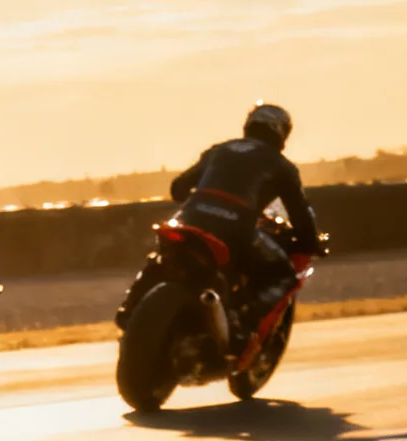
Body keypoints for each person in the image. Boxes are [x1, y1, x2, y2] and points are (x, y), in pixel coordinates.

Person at [125, 103, 322, 329]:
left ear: (249, 125)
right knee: (283, 276)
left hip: (189, 219)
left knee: (162, 256)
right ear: (282, 132)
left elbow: (178, 188)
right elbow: (300, 214)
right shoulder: (282, 166)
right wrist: (310, 241)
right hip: (236, 229)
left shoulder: (219, 150)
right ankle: (243, 323)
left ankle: (129, 308)